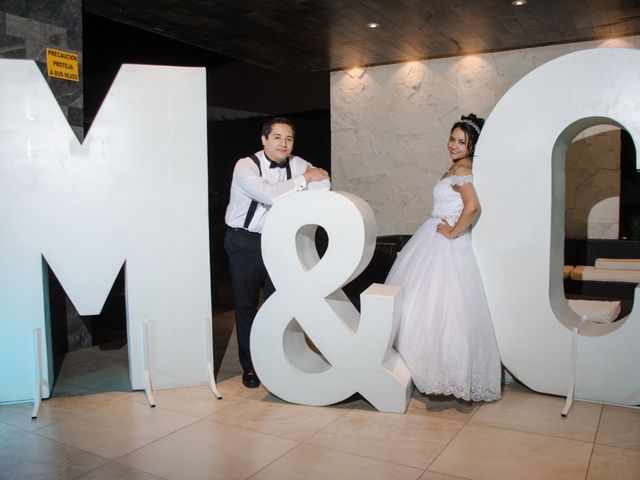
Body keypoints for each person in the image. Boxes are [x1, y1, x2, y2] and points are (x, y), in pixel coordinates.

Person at [385, 114, 502, 402]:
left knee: (445, 308)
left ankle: (444, 373)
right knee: (423, 304)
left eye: (461, 141)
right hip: (432, 238)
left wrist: (452, 232)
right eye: (452, 138)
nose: (453, 145)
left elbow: (472, 206)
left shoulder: (463, 169)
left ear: (472, 146)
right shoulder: (455, 167)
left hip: (447, 245)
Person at [224, 117, 330, 388]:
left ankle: (276, 360)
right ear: (264, 140)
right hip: (244, 243)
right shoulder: (245, 165)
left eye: (289, 139)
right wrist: (303, 180)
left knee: (278, 304)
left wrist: (302, 181)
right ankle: (250, 366)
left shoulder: (297, 164)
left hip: (280, 243)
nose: (284, 143)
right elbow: (267, 194)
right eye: (277, 137)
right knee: (247, 305)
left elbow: (324, 184)